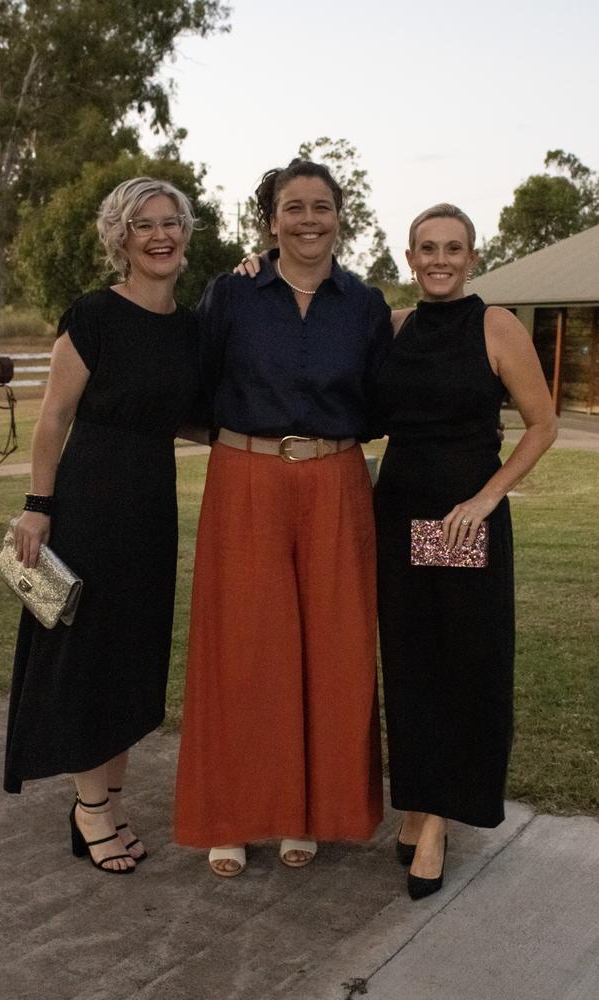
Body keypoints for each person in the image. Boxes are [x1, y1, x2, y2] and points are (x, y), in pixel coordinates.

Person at [173, 159, 392, 876]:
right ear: (269, 219)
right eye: (292, 207)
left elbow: (385, 400)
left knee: (333, 651)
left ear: (339, 216)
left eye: (320, 207)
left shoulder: (362, 304)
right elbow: (193, 387)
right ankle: (233, 816)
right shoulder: (231, 295)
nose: (307, 219)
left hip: (335, 481)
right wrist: (249, 451)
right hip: (247, 479)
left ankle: (306, 813)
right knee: (242, 649)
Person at [4, 176, 202, 874]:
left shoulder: (191, 327)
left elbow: (198, 413)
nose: (159, 235)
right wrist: (38, 505)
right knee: (88, 654)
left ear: (185, 232)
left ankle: (108, 801)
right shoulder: (92, 314)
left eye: (169, 222)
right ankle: (90, 809)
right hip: (88, 499)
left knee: (131, 653)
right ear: (120, 238)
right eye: (142, 224)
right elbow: (54, 416)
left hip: (151, 501)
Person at [374, 203, 557, 899]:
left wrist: (486, 498)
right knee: (411, 664)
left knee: (462, 668)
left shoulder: (496, 324)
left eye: (453, 247)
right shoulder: (397, 328)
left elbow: (540, 425)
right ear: (411, 259)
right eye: (428, 248)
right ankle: (417, 801)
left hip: (461, 526)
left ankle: (442, 822)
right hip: (399, 516)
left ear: (473, 258)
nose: (440, 258)